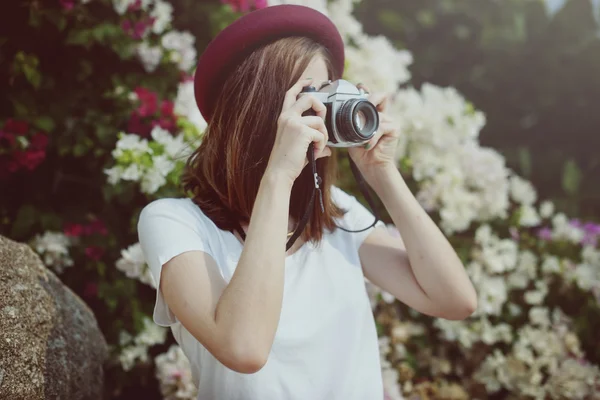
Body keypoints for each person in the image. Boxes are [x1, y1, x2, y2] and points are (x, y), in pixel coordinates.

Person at [137, 4, 477, 400]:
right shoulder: (175, 223)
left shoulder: (335, 214)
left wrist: (382, 173)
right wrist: (278, 176)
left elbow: (455, 300)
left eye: (328, 92)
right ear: (255, 106)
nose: (321, 109)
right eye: (307, 95)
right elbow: (244, 348)